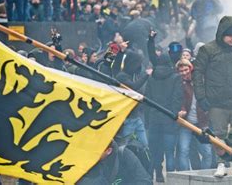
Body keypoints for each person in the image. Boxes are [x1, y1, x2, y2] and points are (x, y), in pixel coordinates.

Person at [192, 16, 232, 177]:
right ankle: (221, 164)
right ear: (222, 33)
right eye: (230, 35)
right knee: (219, 134)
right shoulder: (208, 50)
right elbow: (197, 73)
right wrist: (201, 97)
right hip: (216, 100)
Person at [145, 54, 182, 182]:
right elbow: (177, 98)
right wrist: (173, 113)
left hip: (154, 119)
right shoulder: (176, 78)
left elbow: (147, 100)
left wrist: (147, 121)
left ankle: (158, 174)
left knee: (155, 151)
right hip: (169, 119)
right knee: (170, 152)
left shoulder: (151, 78)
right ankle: (171, 178)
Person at [176, 59, 213, 171]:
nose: (184, 73)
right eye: (181, 71)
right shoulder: (178, 83)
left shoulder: (201, 81)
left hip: (202, 123)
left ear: (191, 68)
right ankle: (186, 177)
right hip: (186, 123)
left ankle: (203, 177)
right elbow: (178, 100)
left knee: (207, 152)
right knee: (183, 150)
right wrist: (181, 111)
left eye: (186, 69)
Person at [77, 140, 152, 185]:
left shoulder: (124, 155)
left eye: (97, 150)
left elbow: (144, 180)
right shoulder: (83, 160)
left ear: (108, 151)